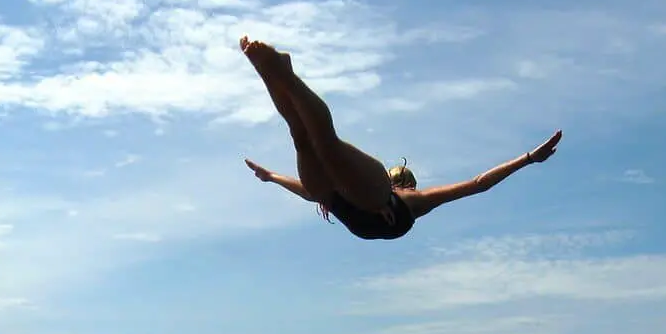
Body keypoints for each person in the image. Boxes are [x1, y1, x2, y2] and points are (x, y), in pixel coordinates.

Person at [239, 35, 562, 241]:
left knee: (305, 138)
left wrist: (272, 177)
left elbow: (308, 193)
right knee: (319, 141)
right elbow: (479, 183)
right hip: (358, 198)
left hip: (339, 196)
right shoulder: (411, 200)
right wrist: (529, 159)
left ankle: (275, 74)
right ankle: (282, 74)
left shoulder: (412, 199)